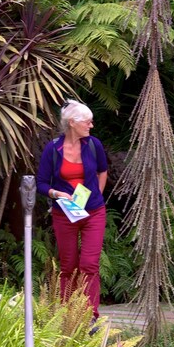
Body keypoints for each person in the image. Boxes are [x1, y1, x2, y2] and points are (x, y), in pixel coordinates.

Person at [35, 99, 109, 320]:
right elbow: (41, 183)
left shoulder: (94, 145)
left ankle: (89, 316)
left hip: (94, 213)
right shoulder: (53, 149)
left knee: (89, 264)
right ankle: (68, 314)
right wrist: (57, 194)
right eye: (87, 122)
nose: (91, 126)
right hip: (64, 214)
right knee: (68, 266)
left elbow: (102, 172)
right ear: (72, 123)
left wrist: (96, 196)